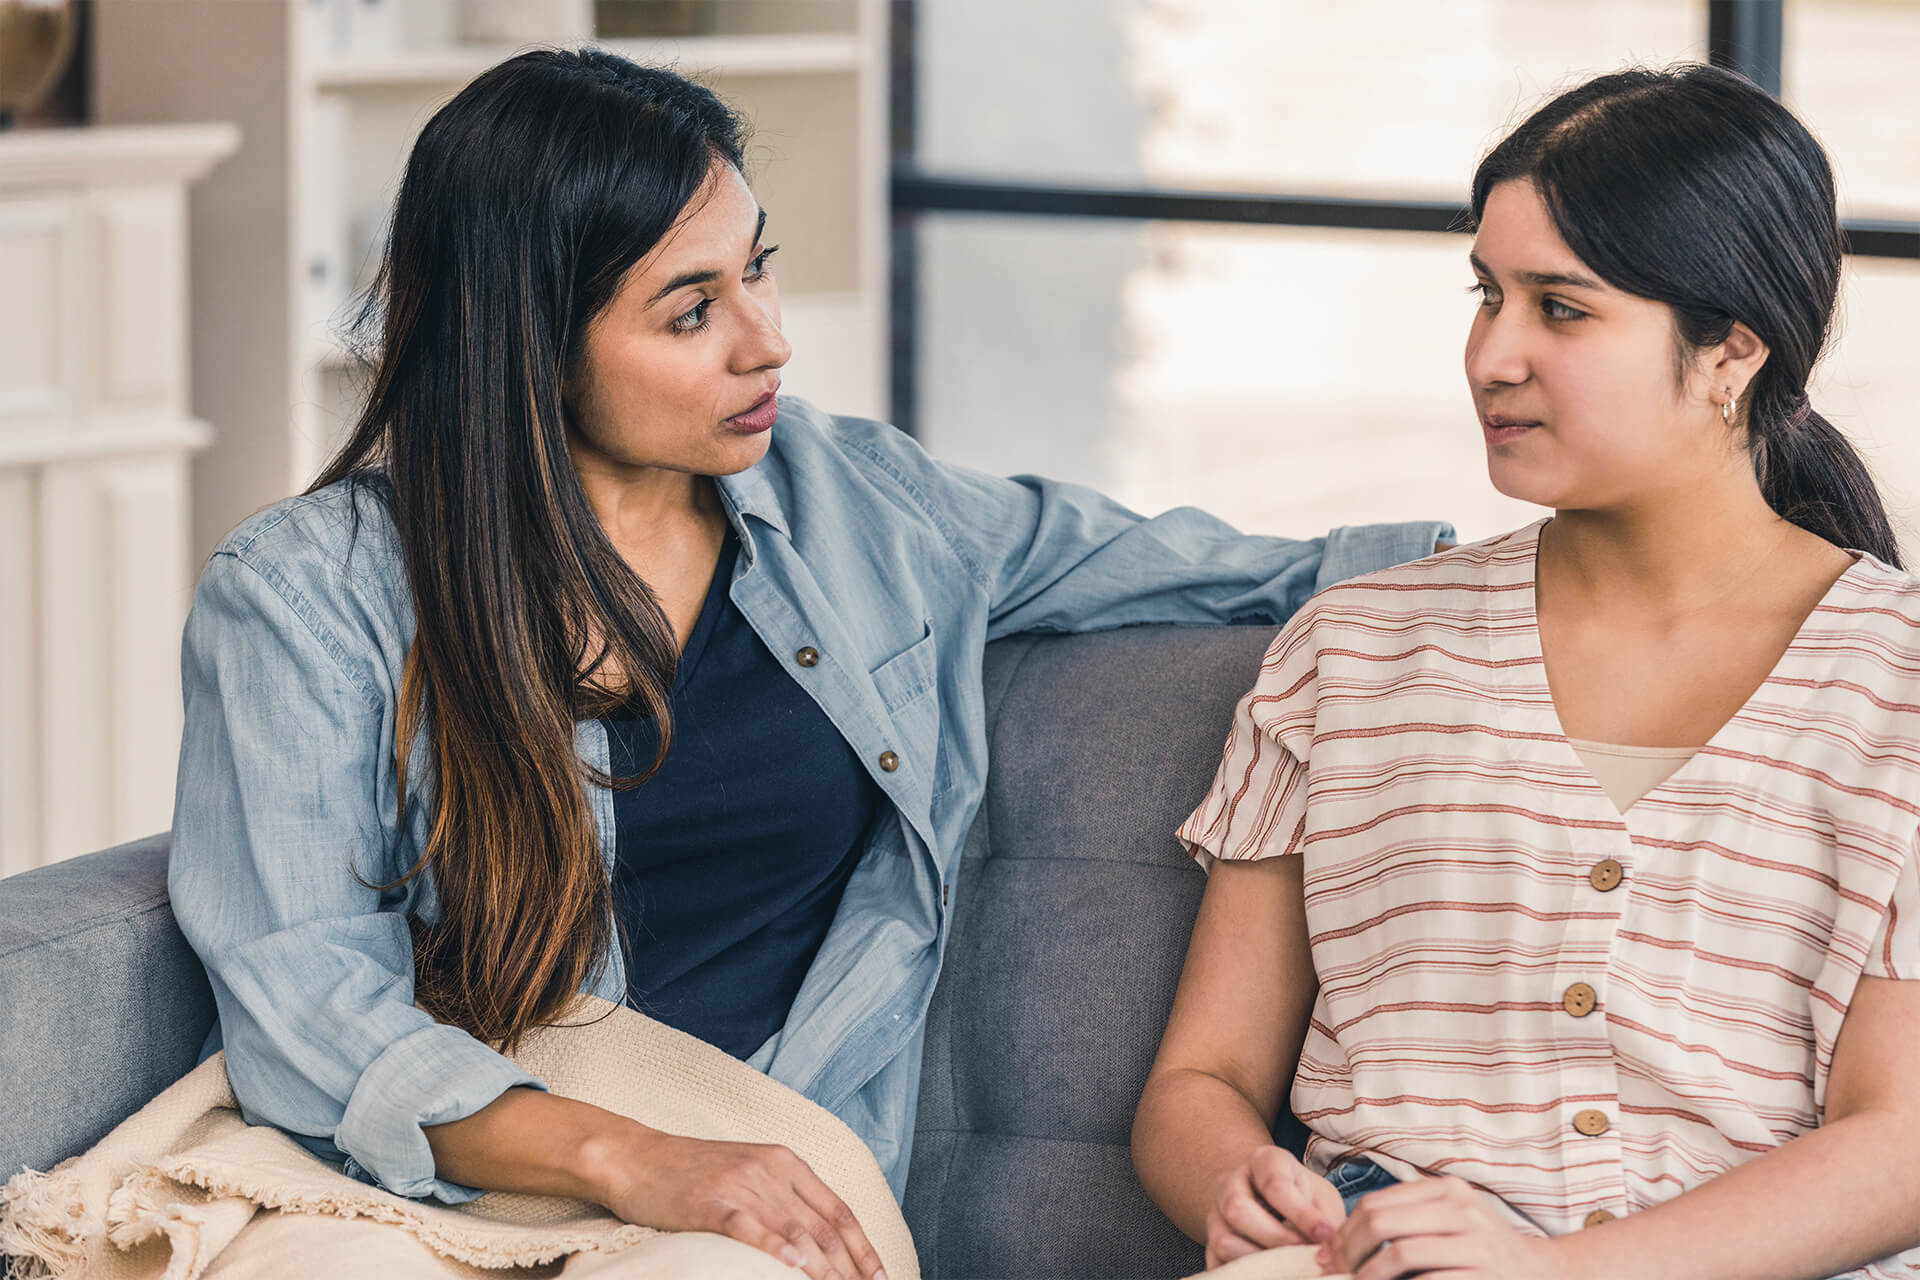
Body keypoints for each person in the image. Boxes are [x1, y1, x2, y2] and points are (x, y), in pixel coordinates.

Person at [166, 48, 1449, 1280]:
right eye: (692, 310)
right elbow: (302, 987)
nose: (766, 340)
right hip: (428, 1167)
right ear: (529, 343)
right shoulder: (307, 594)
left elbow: (1190, 563)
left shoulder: (860, 507)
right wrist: (633, 1156)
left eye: (757, 270)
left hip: (766, 1179)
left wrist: (1521, 569)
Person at [1132, 63, 1920, 1280]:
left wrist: (1562, 1270)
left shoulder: (1901, 688)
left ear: (1732, 351)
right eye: (1486, 294)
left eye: (1561, 307)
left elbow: (1900, 1145)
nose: (1493, 355)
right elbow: (1204, 1076)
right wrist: (1239, 1183)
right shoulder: (1350, 654)